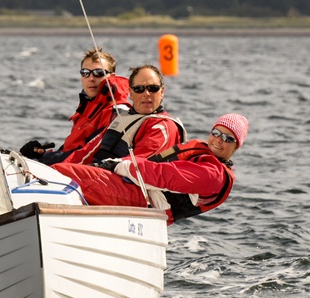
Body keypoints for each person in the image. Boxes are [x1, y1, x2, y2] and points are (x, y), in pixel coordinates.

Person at [52, 113, 249, 225]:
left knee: (64, 174)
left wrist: (120, 165)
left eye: (228, 138)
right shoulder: (203, 157)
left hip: (144, 202)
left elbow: (164, 176)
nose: (218, 140)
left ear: (236, 146)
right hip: (135, 189)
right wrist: (116, 164)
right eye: (216, 133)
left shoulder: (214, 175)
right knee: (65, 171)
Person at [19, 47, 130, 165]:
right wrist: (41, 154)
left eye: (98, 73)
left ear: (112, 77)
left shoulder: (117, 112)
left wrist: (45, 159)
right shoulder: (88, 107)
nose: (91, 78)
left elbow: (90, 154)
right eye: (85, 73)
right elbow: (73, 148)